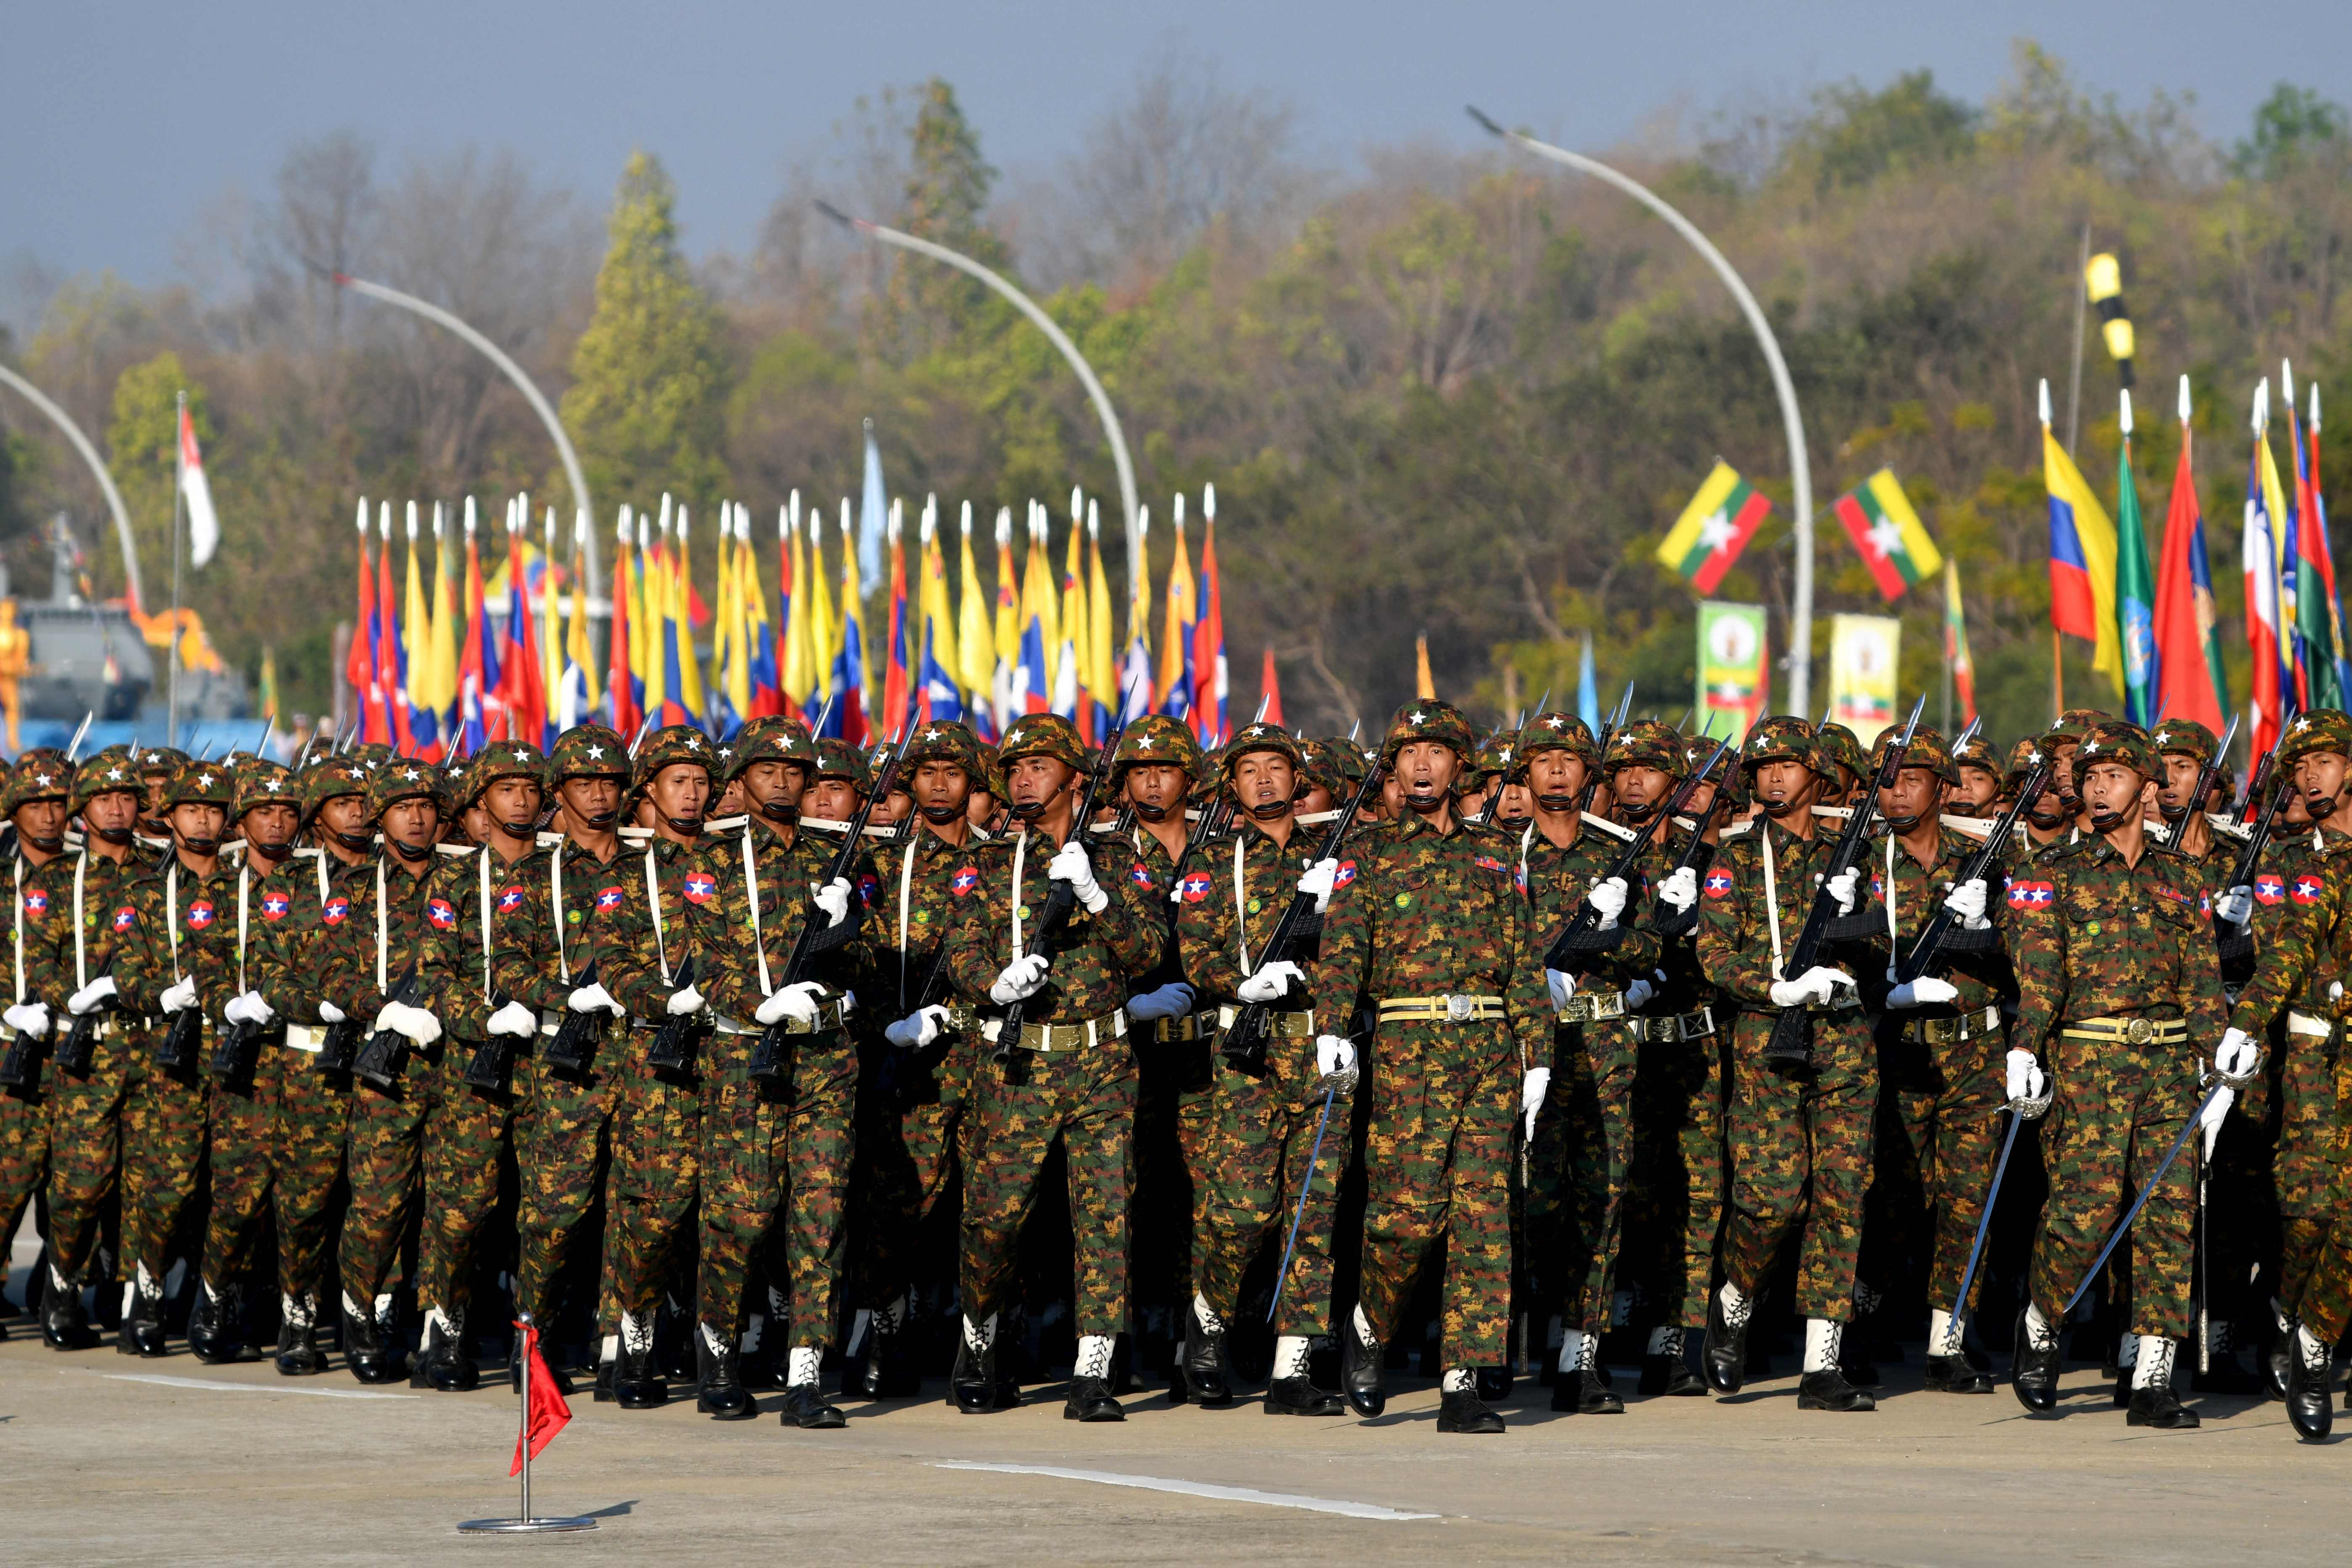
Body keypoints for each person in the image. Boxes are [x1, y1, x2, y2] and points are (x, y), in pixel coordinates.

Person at [1315, 700, 1550, 1434]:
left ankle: (1462, 1380)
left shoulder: (1494, 854)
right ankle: (1368, 1323)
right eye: (1409, 753)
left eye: (1436, 752)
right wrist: (1331, 1028)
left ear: (1459, 766)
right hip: (1408, 1049)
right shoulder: (1369, 852)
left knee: (1483, 1220)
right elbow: (1342, 951)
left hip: (1486, 1048)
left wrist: (1535, 1054)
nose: (1422, 765)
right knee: (1404, 1219)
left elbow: (1521, 963)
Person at [2007, 721, 2244, 1430]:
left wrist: (2220, 1077)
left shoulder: (2184, 879)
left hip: (2171, 1063)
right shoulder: (2053, 874)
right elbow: (2039, 979)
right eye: (2088, 777)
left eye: (2113, 776)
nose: (2097, 787)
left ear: (2147, 788)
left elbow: (2203, 986)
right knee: (2082, 1215)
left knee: (2168, 1220)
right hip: (2089, 1060)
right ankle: (2043, 1320)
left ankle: (2152, 1377)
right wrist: (2024, 1049)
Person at [940, 713, 1162, 1421]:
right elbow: (963, 947)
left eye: (1039, 766)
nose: (1024, 778)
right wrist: (994, 985)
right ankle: (980, 1340)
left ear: (1073, 776)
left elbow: (1149, 953)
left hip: (1101, 1058)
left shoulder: (1123, 856)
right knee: (993, 1221)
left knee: (1105, 1216)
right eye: (1014, 769)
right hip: (1019, 1063)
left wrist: (1098, 897)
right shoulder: (985, 861)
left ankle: (1091, 1369)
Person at [1694, 716, 1884, 1411]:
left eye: (1786, 766)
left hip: (1843, 1047)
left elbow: (1879, 951)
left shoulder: (1850, 853)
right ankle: (1737, 1299)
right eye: (1763, 768)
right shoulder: (1737, 859)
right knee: (1771, 1200)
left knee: (1841, 1199)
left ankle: (1821, 1362)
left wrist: (1854, 915)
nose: (1773, 777)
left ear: (1815, 775)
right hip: (1766, 1040)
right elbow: (1712, 955)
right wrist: (1774, 988)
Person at [1173, 720, 1353, 1415]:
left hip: (1318, 1048)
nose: (1265, 781)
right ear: (1232, 784)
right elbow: (1195, 951)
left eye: (1276, 767)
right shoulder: (1212, 861)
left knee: (1313, 1210)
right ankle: (1210, 1319)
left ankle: (1291, 1367)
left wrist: (1339, 905)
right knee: (1242, 1211)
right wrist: (1238, 980)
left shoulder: (1336, 855)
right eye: (1249, 771)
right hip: (1246, 1050)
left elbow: (1362, 945)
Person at [693, 719, 869, 1427]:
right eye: (769, 769)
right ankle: (721, 1356)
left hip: (825, 1056)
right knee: (742, 1216)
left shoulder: (839, 856)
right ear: (741, 777)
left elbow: (879, 955)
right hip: (745, 1055)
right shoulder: (713, 859)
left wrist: (848, 923)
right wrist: (760, 1000)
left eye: (796, 771)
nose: (784, 781)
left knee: (819, 1218)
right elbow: (701, 954)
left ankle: (805, 1377)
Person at [1848, 726, 2011, 1394]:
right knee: (1890, 1201)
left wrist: (1986, 933)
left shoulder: (1987, 863)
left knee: (1967, 1201)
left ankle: (1948, 1339)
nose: (1893, 793)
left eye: (1910, 779)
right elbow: (1835, 960)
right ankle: (1856, 1328)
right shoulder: (1856, 865)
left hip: (1974, 1050)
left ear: (1943, 788)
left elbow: (2030, 961)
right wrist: (1887, 988)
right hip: (1898, 1051)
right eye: (1885, 781)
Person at [1517, 712, 1655, 1414]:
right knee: (1531, 1207)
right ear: (1525, 774)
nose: (1557, 771)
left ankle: (1580, 1357)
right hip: (1529, 1048)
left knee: (1600, 1203)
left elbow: (1653, 953)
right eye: (1543, 760)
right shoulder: (1500, 854)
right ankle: (1509, 1338)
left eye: (1569, 760)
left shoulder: (1620, 855)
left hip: (1603, 1046)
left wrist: (1613, 932)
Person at [487, 723, 633, 1385]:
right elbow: (509, 963)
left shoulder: (649, 867)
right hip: (567, 1058)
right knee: (556, 1211)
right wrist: (567, 994)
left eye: (608, 781)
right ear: (561, 792)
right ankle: (533, 1336)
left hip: (642, 1053)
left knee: (635, 1204)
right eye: (584, 782)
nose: (598, 793)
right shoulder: (534, 872)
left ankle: (616, 1342)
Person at [852, 719, 993, 1397]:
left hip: (990, 1055)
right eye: (927, 773)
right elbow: (867, 960)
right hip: (914, 1056)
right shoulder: (882, 863)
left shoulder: (1001, 858)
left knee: (994, 1208)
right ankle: (889, 1331)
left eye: (953, 773)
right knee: (899, 1209)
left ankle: (982, 1344)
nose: (940, 785)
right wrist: (892, 1024)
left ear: (973, 783)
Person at [580, 725, 719, 1409]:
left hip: (731, 1055)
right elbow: (616, 963)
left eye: (699, 782)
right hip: (658, 1060)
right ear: (651, 793)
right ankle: (632, 1341)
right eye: (676, 782)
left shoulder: (734, 864)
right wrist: (669, 999)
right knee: (655, 1213)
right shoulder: (625, 877)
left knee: (728, 1214)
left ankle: (718, 1348)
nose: (690, 794)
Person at [409, 740, 547, 1390]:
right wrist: (481, 1015)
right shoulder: (456, 880)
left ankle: (533, 1343)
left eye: (529, 788)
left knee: (548, 1212)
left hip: (553, 1064)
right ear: (481, 805)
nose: (520, 800)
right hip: (477, 1064)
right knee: (462, 1209)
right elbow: (433, 971)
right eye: (505, 789)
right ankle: (446, 1331)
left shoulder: (561, 872)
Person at [315, 759, 450, 1383]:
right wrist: (385, 1008)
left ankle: (432, 1323)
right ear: (380, 815)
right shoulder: (355, 888)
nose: (417, 817)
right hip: (387, 1066)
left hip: (454, 1063)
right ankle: (360, 1308)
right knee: (379, 1204)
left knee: (453, 1206)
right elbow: (333, 970)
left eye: (425, 805)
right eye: (402, 806)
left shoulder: (463, 880)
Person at [110, 761, 241, 1357]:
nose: (205, 819)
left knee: (236, 1188)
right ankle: (149, 1289)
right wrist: (160, 994)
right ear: (171, 816)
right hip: (174, 1056)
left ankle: (212, 1299)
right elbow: (125, 971)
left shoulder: (250, 889)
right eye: (193, 809)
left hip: (241, 1053)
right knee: (170, 1186)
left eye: (215, 810)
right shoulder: (145, 891)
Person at [249, 756, 372, 1374]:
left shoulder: (393, 877)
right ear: (317, 815)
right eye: (342, 801)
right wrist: (316, 1000)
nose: (357, 810)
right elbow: (269, 970)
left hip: (386, 1056)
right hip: (312, 1060)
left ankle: (365, 1314)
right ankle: (298, 1317)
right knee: (307, 1197)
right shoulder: (289, 886)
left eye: (363, 800)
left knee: (378, 1198)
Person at [180, 759, 306, 1362]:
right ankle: (212, 1301)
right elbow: (205, 963)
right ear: (244, 821)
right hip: (244, 1056)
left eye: (287, 812)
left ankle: (291, 1316)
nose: (278, 823)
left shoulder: (316, 885)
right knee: (238, 1193)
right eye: (265, 812)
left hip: (305, 1056)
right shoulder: (217, 891)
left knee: (304, 1198)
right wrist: (230, 1001)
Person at [32, 750, 158, 1350]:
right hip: (90, 1047)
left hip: (152, 1048)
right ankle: (62, 1287)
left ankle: (138, 1303)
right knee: (81, 1183)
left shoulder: (160, 874)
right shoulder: (57, 882)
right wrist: (77, 996)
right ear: (83, 808)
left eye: (127, 797)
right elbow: (38, 962)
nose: (116, 806)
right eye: (104, 797)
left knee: (148, 1184)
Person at [0, 752, 72, 1333]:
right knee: (8, 1177)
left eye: (57, 802)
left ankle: (60, 1290)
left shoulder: (85, 876)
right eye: (37, 803)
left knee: (75, 1184)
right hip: (9, 1048)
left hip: (76, 1050)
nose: (49, 814)